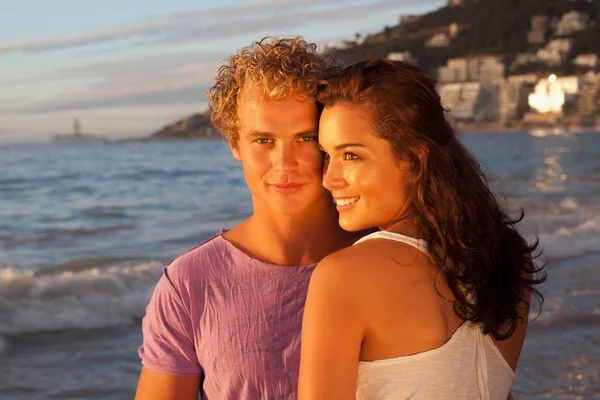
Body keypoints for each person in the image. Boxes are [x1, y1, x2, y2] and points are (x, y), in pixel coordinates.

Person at [298, 59, 546, 400]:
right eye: (327, 155)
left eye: (351, 156)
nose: (329, 178)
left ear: (414, 161)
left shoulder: (343, 277)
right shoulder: (510, 259)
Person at [135, 36, 363, 400]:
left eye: (305, 137)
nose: (285, 163)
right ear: (234, 143)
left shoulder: (388, 257)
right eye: (263, 140)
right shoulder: (190, 285)